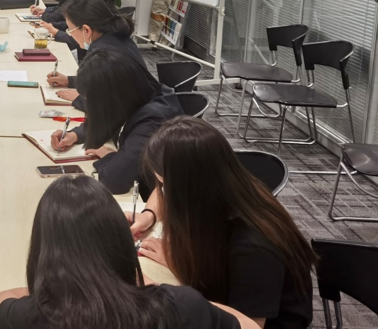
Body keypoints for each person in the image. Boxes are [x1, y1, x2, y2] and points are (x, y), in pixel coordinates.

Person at [0, 175, 259, 329]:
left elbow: (0, 301)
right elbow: (249, 325)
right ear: (119, 240)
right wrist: (152, 285)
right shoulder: (178, 306)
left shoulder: (35, 316)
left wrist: (63, 286)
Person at [132, 117, 316, 329]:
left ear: (185, 188)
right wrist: (149, 215)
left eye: (166, 185)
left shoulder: (253, 245)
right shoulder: (226, 186)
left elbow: (248, 325)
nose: (163, 193)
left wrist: (159, 288)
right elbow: (161, 192)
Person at [50, 47, 183, 194]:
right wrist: (75, 135)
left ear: (112, 95)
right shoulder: (139, 93)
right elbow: (111, 117)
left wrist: (110, 157)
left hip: (152, 196)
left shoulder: (153, 121)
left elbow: (113, 181)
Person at [46, 0, 144, 109]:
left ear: (86, 30)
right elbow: (104, 81)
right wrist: (69, 81)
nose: (70, 35)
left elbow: (113, 109)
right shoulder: (116, 38)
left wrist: (79, 99)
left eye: (70, 30)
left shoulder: (104, 56)